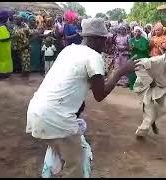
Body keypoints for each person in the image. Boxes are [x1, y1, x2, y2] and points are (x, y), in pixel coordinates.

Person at [26, 18, 140, 178]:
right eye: (104, 39)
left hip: (37, 111)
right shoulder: (93, 57)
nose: (106, 43)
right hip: (56, 118)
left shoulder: (68, 50)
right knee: (76, 166)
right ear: (96, 39)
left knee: (63, 153)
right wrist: (120, 72)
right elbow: (100, 94)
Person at [133, 46, 166, 138]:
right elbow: (139, 65)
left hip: (159, 86)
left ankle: (152, 120)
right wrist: (150, 81)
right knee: (148, 113)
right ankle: (141, 132)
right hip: (146, 86)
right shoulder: (156, 60)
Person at [128, 26, 150, 90]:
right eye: (136, 31)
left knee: (141, 73)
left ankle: (141, 86)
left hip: (142, 57)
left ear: (141, 32)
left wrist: (136, 48)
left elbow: (145, 49)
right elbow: (129, 48)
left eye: (139, 31)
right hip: (133, 58)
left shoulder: (144, 40)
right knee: (133, 72)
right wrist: (131, 48)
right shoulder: (131, 40)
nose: (137, 32)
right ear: (133, 32)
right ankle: (132, 85)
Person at [11, 14, 31, 79]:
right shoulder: (15, 27)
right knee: (20, 60)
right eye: (16, 19)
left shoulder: (26, 26)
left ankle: (26, 74)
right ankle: (21, 72)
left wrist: (26, 44)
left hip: (25, 45)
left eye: (17, 19)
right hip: (18, 46)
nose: (16, 20)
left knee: (26, 59)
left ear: (21, 20)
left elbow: (30, 35)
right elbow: (14, 36)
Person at [0, 8, 13, 79]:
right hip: (3, 47)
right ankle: (2, 74)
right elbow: (4, 38)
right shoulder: (1, 26)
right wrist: (11, 36)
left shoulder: (2, 25)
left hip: (3, 47)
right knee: (3, 60)